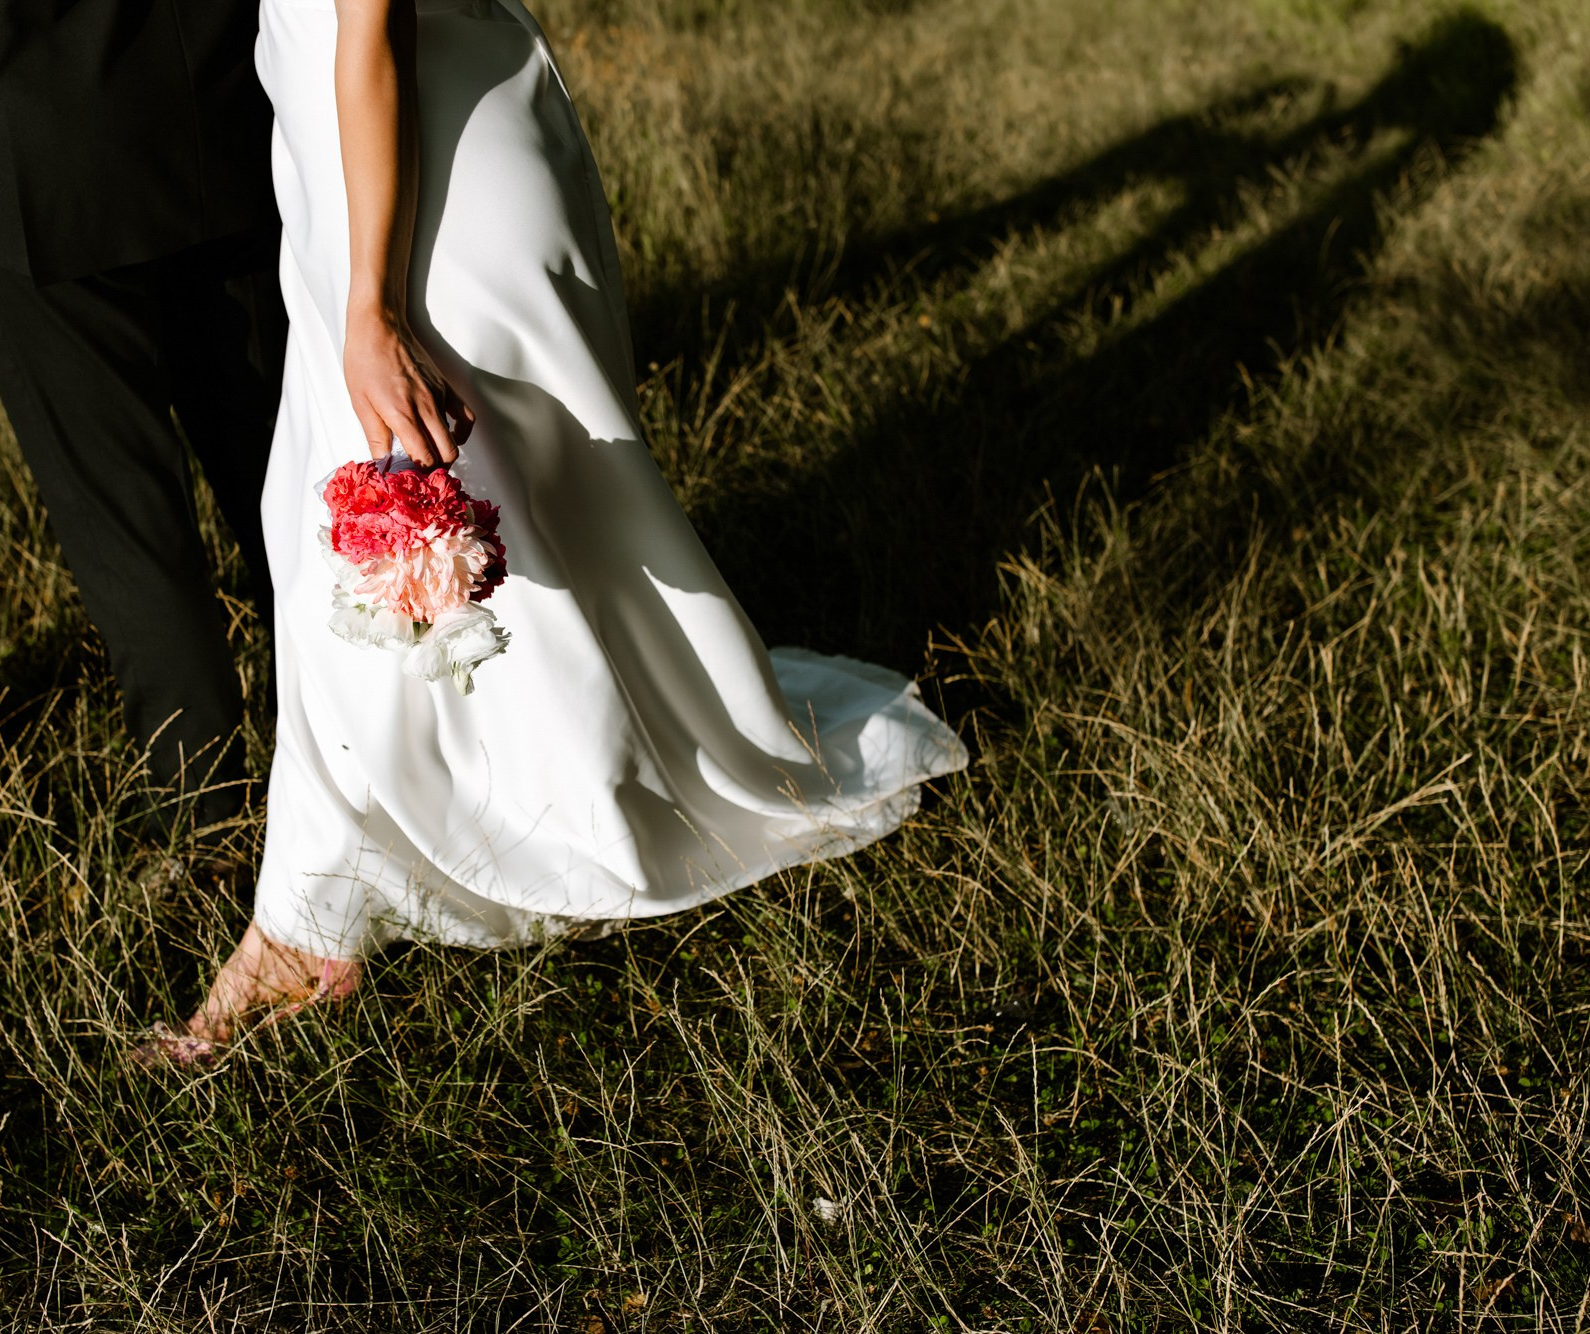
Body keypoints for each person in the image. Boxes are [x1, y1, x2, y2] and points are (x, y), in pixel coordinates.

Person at [138, 0, 970, 1062]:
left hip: (417, 185)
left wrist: (372, 307)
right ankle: (378, 861)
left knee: (453, 526)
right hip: (359, 164)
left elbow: (369, 28)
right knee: (411, 531)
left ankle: (310, 919)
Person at [0, 0, 287, 840]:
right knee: (282, 479)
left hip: (17, 120)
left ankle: (208, 819)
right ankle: (359, 775)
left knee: (120, 517)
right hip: (216, 101)